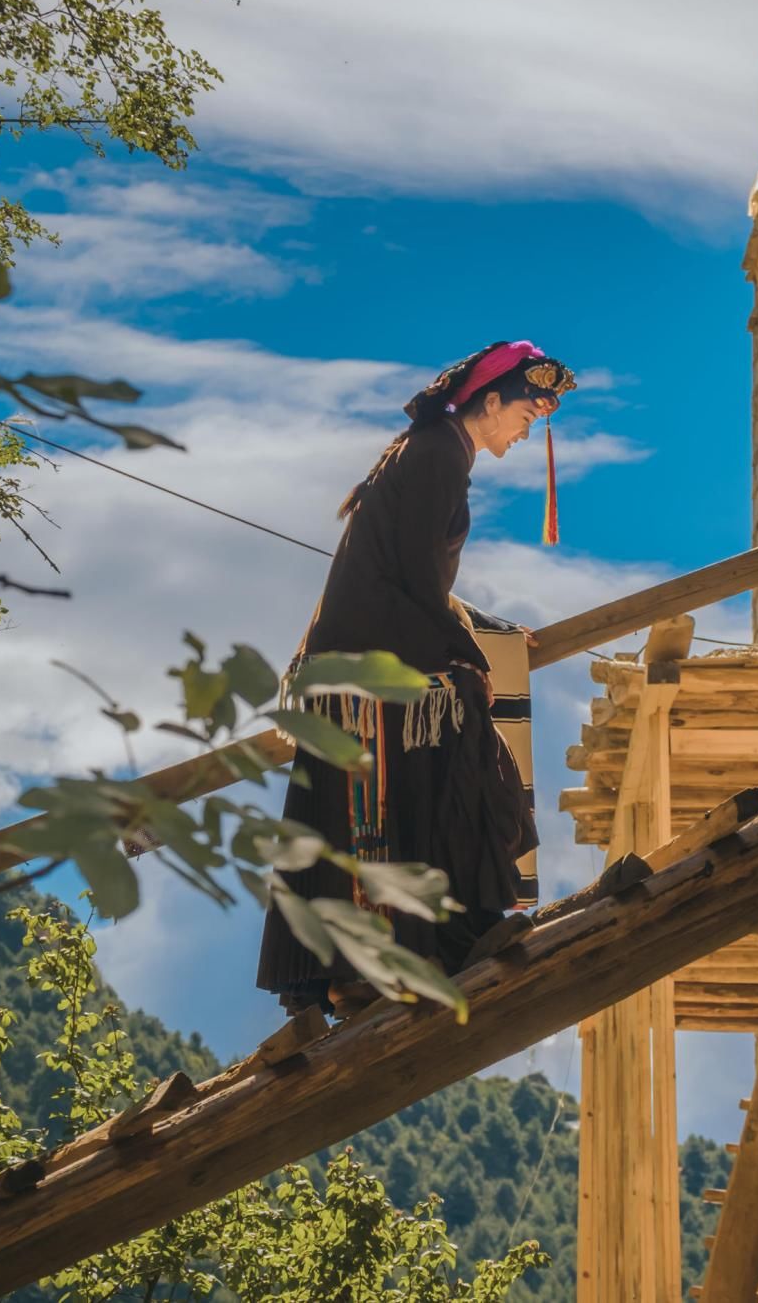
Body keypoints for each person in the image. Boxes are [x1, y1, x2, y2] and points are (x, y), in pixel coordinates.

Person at [256, 339, 576, 1019]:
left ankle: (401, 951)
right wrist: (471, 656)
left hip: (367, 647)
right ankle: (442, 939)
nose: (525, 432)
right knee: (463, 738)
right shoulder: (435, 455)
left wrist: (478, 629)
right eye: (524, 415)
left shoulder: (433, 451)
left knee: (415, 775)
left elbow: (418, 573)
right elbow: (409, 574)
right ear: (491, 400)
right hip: (371, 654)